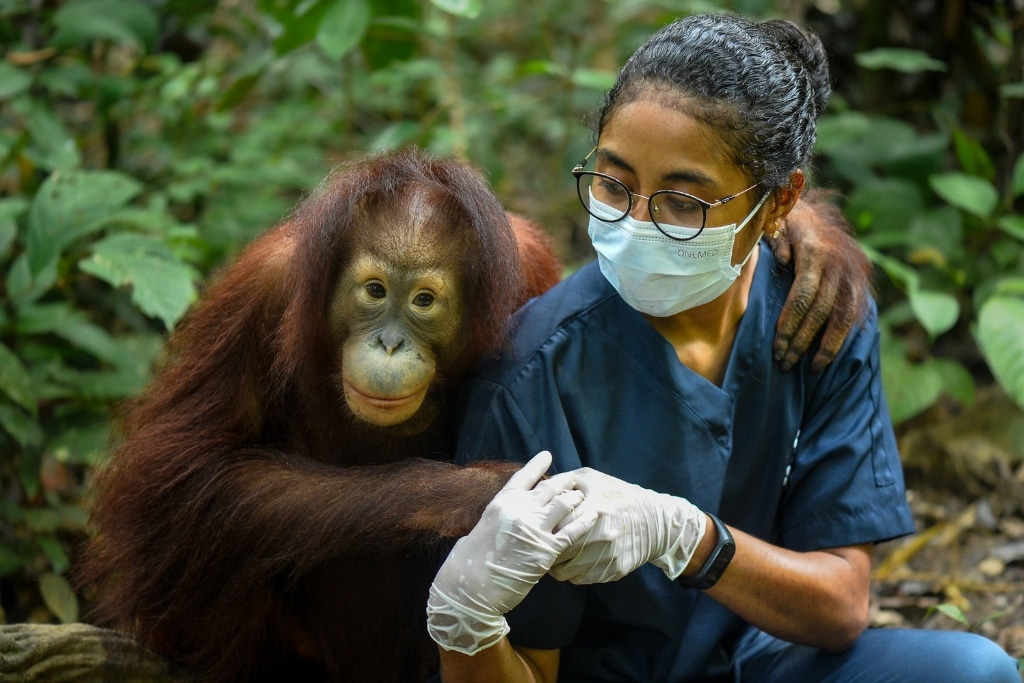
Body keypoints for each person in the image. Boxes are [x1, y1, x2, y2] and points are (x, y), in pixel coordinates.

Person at [425, 12, 1022, 683]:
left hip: (760, 661)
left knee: (974, 670)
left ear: (780, 203)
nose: (636, 224)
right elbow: (531, 668)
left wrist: (686, 538)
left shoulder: (818, 314)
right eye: (614, 185)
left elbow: (841, 605)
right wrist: (466, 620)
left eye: (684, 202)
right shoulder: (533, 372)